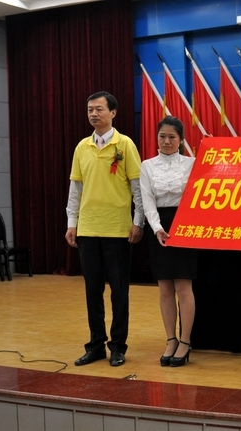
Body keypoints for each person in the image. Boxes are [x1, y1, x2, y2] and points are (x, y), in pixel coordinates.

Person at [66, 91, 144, 367]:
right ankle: (95, 345)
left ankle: (118, 347)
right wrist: (72, 223)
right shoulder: (82, 147)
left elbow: (137, 188)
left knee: (119, 292)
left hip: (117, 230)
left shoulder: (125, 145)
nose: (93, 114)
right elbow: (75, 189)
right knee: (92, 291)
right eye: (90, 109)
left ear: (113, 113)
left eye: (99, 109)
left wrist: (138, 222)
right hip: (88, 230)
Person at [140, 116, 197, 367]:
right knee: (165, 288)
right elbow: (147, 201)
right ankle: (171, 339)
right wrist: (157, 229)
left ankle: (185, 341)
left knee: (184, 286)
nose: (166, 141)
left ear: (181, 140)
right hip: (159, 227)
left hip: (185, 224)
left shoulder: (192, 163)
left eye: (172, 137)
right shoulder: (147, 166)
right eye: (162, 136)